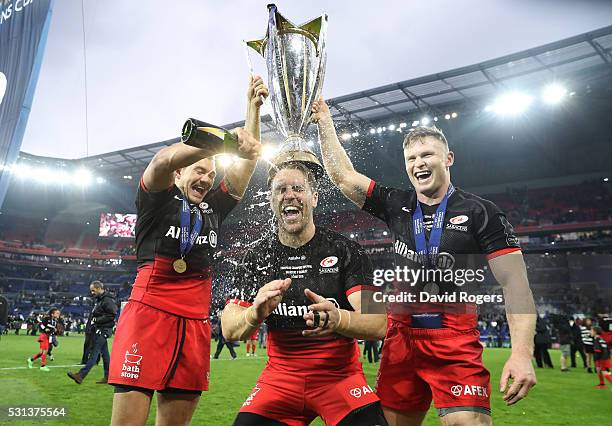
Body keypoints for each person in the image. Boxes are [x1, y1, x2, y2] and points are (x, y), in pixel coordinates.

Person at [312, 98, 537, 426]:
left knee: (468, 423)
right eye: (412, 158)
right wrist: (324, 122)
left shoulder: (480, 212)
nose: (419, 163)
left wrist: (520, 354)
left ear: (448, 159)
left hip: (454, 338)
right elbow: (344, 177)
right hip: (401, 336)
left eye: (427, 154)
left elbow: (515, 285)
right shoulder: (396, 204)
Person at [106, 76, 267, 426]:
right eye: (199, 171)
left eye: (211, 175)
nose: (207, 180)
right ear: (180, 174)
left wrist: (253, 109)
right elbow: (163, 159)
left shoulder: (213, 208)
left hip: (194, 324)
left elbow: (246, 161)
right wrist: (221, 144)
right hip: (148, 317)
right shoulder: (155, 200)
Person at [221, 161, 389, 426]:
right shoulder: (255, 257)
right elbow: (229, 329)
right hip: (280, 381)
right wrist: (255, 313)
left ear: (314, 198)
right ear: (271, 201)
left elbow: (380, 321)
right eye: (281, 189)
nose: (289, 195)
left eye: (298, 188)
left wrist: (339, 320)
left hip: (340, 378)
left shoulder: (349, 250)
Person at [67, 281, 117, 384]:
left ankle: (80, 375)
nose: (92, 292)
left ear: (99, 288)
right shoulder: (101, 300)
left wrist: (97, 320)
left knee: (94, 353)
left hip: (103, 330)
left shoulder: (107, 300)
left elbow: (112, 314)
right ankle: (108, 377)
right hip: (101, 329)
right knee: (105, 354)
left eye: (93, 290)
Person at [27, 307, 60, 372]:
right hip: (44, 336)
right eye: (57, 313)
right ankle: (43, 366)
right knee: (45, 351)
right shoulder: (47, 319)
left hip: (48, 337)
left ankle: (31, 360)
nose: (58, 314)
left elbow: (53, 330)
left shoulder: (55, 321)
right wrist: (45, 329)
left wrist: (55, 332)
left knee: (42, 352)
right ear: (52, 314)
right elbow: (41, 324)